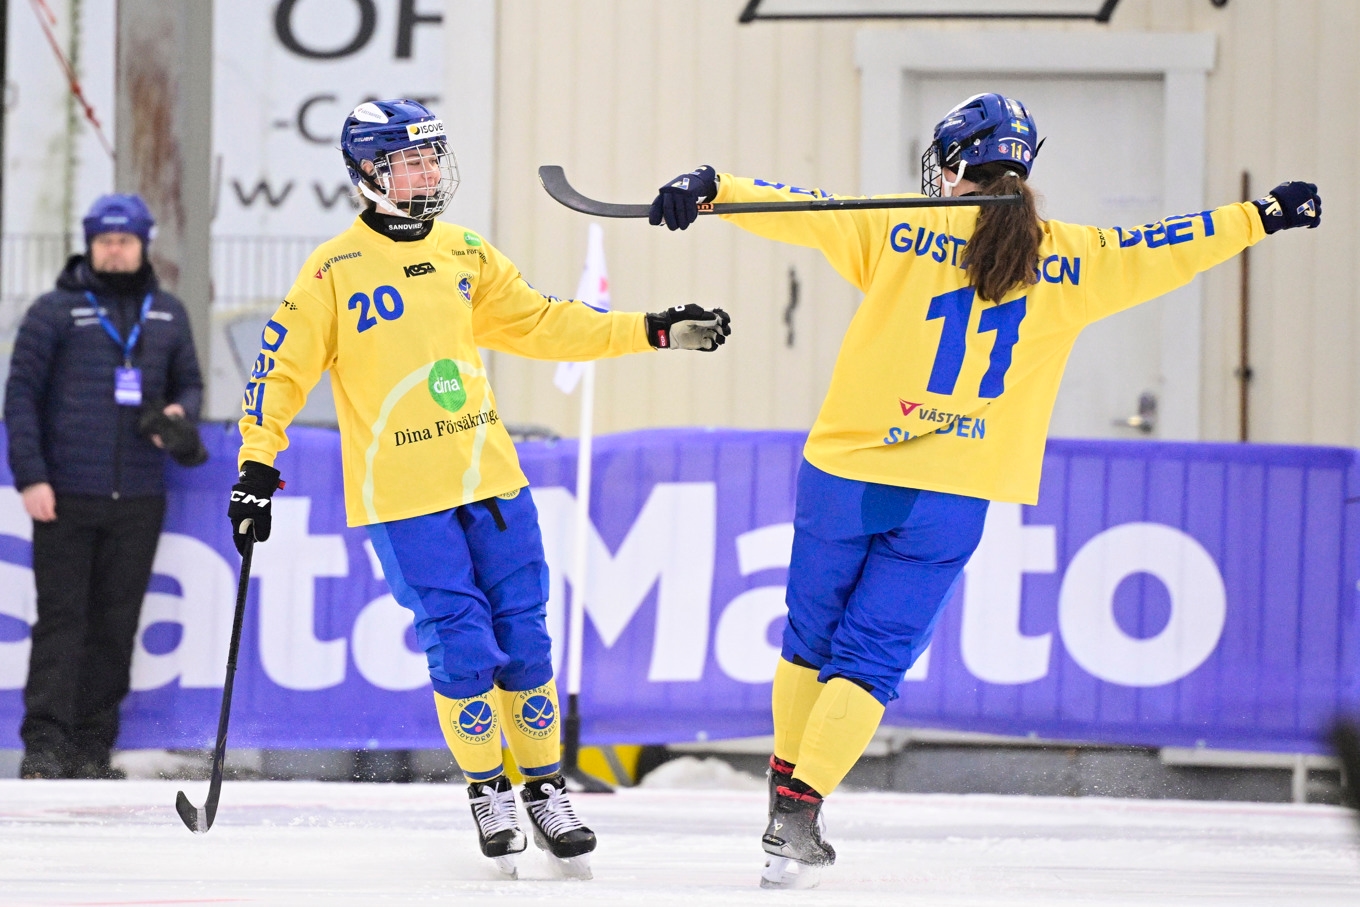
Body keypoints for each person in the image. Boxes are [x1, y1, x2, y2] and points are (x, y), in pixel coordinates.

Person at [648, 92, 1322, 887]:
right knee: (868, 661)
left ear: (957, 164)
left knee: (810, 638)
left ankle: (785, 796)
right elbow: (1172, 243)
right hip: (954, 488)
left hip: (846, 471)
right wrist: (1264, 214)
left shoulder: (898, 226)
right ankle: (795, 816)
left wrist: (710, 186)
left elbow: (804, 209)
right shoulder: (1075, 256)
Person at [229, 99, 731, 879]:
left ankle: (545, 790)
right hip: (403, 497)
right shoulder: (331, 269)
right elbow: (277, 374)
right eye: (412, 160)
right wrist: (256, 466)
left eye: (434, 157)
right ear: (369, 172)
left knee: (526, 640)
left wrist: (653, 328)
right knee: (463, 645)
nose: (430, 171)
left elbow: (544, 323)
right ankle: (488, 790)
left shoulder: (467, 250)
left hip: (492, 479)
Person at [5, 194, 206, 780]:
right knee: (61, 622)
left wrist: (178, 412)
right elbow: (20, 398)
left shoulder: (168, 313)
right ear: (90, 244)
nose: (114, 250)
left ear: (144, 244)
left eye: (125, 240)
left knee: (116, 626)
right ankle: (44, 749)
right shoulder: (54, 312)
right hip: (66, 495)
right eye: (104, 241)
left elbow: (192, 384)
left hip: (140, 498)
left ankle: (93, 747)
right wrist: (33, 477)